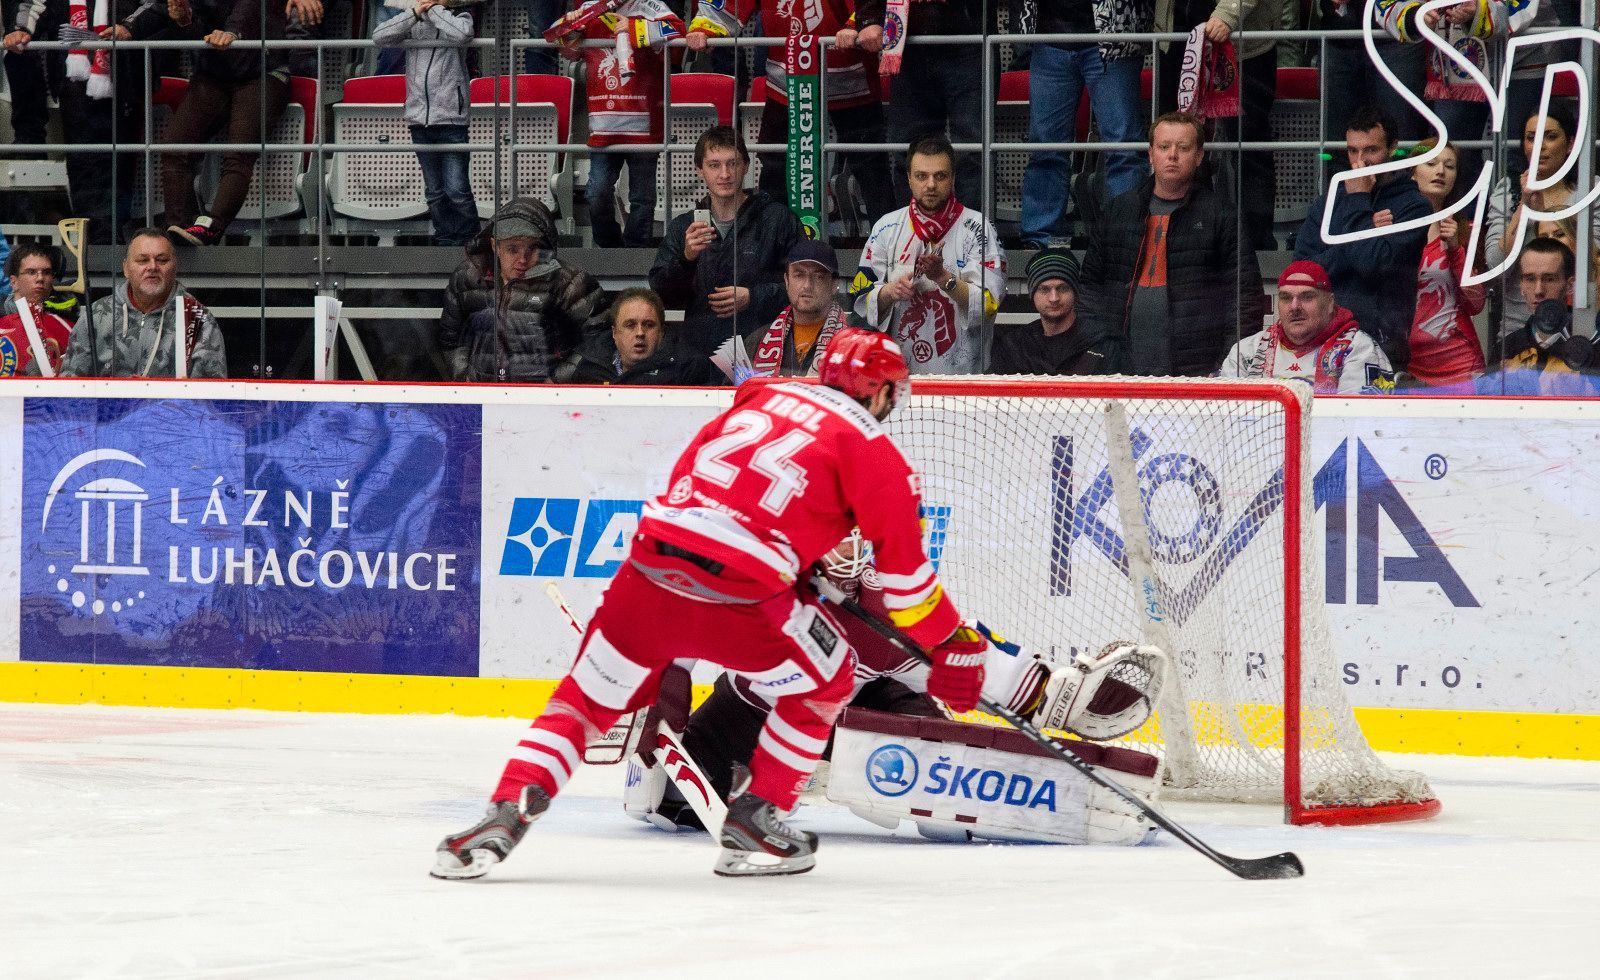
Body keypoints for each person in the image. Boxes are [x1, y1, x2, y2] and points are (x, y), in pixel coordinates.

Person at [432, 327, 989, 880]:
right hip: (744, 593)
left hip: (649, 572)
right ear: (885, 393)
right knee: (830, 679)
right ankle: (760, 816)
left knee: (584, 699)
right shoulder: (878, 454)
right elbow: (909, 587)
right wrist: (953, 642)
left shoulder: (762, 396)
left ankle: (503, 810)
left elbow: (696, 475)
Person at [631, 530, 1165, 846]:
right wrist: (664, 699)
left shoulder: (887, 602)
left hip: (864, 705)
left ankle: (961, 790)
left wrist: (1054, 695)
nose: (844, 552)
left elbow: (970, 653)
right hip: (753, 711)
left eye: (853, 537)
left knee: (936, 774)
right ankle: (749, 773)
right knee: (667, 804)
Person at [1078, 111, 1267, 377]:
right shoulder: (1119, 210)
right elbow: (1089, 290)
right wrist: (1099, 353)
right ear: (1150, 153)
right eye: (1164, 147)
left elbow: (1244, 299)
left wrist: (1226, 366)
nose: (1172, 155)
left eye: (1184, 148)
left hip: (1199, 371)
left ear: (1199, 156)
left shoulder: (1222, 215)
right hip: (1118, 367)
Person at [690, 1, 897, 225]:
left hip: (851, 82)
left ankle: (890, 246)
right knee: (775, 167)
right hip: (786, 85)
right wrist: (705, 28)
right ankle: (771, 241)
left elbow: (873, 7)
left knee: (871, 171)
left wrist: (859, 24)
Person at [111, 0, 297, 247]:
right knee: (174, 146)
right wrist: (129, 28)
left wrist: (231, 33)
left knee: (238, 154)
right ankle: (180, 229)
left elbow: (247, 12)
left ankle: (210, 228)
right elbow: (158, 6)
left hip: (263, 71)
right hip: (214, 72)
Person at [849, 135, 1005, 375]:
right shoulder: (885, 227)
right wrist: (889, 292)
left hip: (965, 379)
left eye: (940, 176)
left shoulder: (978, 228)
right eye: (922, 176)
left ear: (953, 179)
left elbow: (989, 304)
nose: (931, 185)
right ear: (910, 179)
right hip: (898, 378)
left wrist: (944, 278)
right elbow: (859, 300)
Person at [1294, 105, 1433, 371]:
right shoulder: (1329, 202)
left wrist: (1358, 201)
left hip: (1381, 340)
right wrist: (1365, 229)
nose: (1360, 161)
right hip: (1323, 338)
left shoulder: (1414, 206)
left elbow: (1374, 265)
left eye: (1371, 150)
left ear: (1392, 148)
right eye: (1352, 150)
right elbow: (1303, 270)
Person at [649, 126, 802, 362]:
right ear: (700, 169)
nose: (724, 174)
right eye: (714, 165)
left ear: (746, 166)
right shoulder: (684, 226)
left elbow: (804, 288)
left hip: (762, 353)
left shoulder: (778, 220)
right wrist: (686, 259)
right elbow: (663, 295)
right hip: (699, 358)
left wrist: (753, 297)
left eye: (732, 163)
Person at [553, 0, 684, 248]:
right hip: (604, 127)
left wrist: (633, 28)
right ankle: (610, 251)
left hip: (644, 126)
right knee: (595, 194)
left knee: (642, 199)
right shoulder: (591, 9)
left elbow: (679, 32)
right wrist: (574, 26)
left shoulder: (651, 6)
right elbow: (562, 46)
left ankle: (636, 253)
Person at [1018, 0, 1148, 249]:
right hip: (1048, 38)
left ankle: (1125, 240)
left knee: (1124, 148)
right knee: (1045, 149)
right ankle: (1040, 240)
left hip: (1116, 36)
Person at [1156, 0, 1284, 251]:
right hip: (1177, 38)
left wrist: (1228, 14)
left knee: (1249, 147)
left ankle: (1254, 248)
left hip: (1242, 41)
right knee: (1181, 147)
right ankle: (1188, 241)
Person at [440, 198, 610, 383]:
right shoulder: (467, 278)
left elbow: (598, 342)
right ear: (494, 245)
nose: (523, 259)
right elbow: (450, 338)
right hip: (482, 396)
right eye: (513, 249)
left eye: (533, 248)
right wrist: (465, 377)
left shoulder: (569, 282)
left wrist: (556, 383)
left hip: (546, 401)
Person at [1482, 103, 1600, 343]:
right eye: (1531, 138)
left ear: (1569, 143)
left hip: (1578, 324)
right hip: (1518, 328)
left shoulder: (1591, 189)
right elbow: (1495, 265)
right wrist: (1524, 210)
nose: (1539, 147)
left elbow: (1593, 263)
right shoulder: (1508, 192)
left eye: (1551, 137)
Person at [852, 0, 986, 206]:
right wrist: (870, 18)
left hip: (969, 41)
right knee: (908, 151)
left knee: (972, 154)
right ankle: (914, 235)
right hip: (908, 44)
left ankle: (973, 235)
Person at [372, 0, 479, 246]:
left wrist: (434, 9)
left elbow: (463, 34)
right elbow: (380, 36)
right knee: (435, 192)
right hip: (419, 119)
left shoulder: (458, 16)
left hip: (452, 119)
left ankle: (472, 244)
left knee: (457, 190)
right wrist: (414, 13)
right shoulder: (413, 23)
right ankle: (444, 241)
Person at [59, 229, 228, 377]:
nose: (152, 267)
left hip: (171, 414)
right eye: (142, 260)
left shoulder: (196, 317)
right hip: (110, 414)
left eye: (162, 260)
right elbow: (71, 385)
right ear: (126, 268)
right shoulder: (97, 314)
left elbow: (209, 396)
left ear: (175, 267)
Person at [1219, 259, 1393, 393]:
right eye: (1286, 298)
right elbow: (1225, 417)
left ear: (1330, 303)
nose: (1295, 307)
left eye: (1307, 297)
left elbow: (1355, 424)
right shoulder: (1247, 350)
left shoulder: (1360, 349)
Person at [1405, 140, 1485, 389]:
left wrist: (1454, 251)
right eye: (1431, 163)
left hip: (1460, 366)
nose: (1440, 171)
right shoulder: (1393, 226)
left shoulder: (1466, 230)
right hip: (1407, 365)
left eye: (1449, 166)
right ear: (1412, 172)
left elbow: (1476, 303)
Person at [713, 240, 853, 381]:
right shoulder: (757, 341)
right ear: (786, 281)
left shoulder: (854, 342)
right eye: (799, 275)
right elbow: (731, 397)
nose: (807, 285)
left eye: (818, 277)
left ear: (834, 284)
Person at [990, 247, 1119, 375]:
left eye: (1062, 289)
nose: (1054, 298)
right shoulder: (1015, 347)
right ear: (1032, 294)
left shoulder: (1105, 345)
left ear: (1075, 292)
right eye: (1044, 290)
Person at [553, 287, 712, 384]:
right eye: (630, 325)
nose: (640, 333)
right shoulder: (588, 366)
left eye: (649, 325)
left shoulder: (688, 369)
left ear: (661, 332)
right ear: (615, 333)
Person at [1499, 240, 1596, 393]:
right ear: (1522, 286)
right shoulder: (1508, 348)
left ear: (1570, 286)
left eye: (1549, 279)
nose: (1538, 291)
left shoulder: (1592, 347)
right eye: (1530, 279)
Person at [0, 243, 74, 375]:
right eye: (31, 272)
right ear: (14, 281)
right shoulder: (2, 320)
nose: (40, 278)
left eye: (46, 272)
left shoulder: (67, 327)